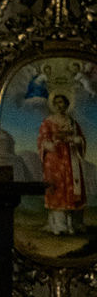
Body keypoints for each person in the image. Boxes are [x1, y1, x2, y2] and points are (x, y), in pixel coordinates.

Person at [39, 92, 88, 236]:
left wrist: (76, 140)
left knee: (72, 189)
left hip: (71, 159)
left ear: (67, 105)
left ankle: (74, 223)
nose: (59, 106)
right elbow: (42, 140)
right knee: (58, 189)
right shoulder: (48, 122)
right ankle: (59, 225)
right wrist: (52, 143)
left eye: (62, 103)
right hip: (55, 160)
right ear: (53, 105)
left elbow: (81, 139)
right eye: (57, 103)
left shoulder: (72, 122)